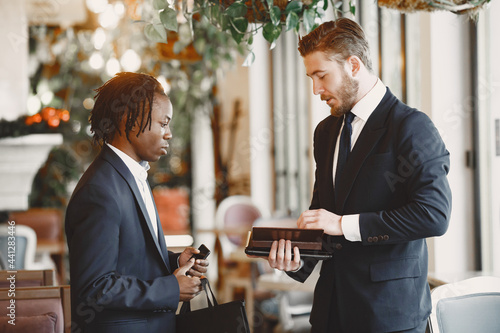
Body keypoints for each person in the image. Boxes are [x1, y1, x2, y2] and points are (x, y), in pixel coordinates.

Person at [265, 18, 452, 332]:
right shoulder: (325, 132)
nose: (316, 90)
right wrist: (298, 261)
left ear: (353, 65)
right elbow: (321, 213)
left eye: (321, 76)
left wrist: (343, 224)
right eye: (311, 77)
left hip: (388, 315)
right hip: (330, 312)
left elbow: (433, 215)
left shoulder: (411, 126)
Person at [65, 72, 207, 333]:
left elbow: (129, 258)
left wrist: (174, 262)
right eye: (163, 124)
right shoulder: (99, 190)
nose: (169, 134)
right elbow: (95, 287)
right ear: (129, 121)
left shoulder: (131, 175)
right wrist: (171, 288)